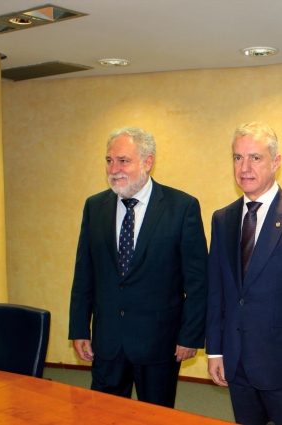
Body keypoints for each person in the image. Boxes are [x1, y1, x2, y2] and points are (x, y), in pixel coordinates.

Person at [69, 126, 208, 408]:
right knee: (103, 414)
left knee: (156, 415)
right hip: (107, 340)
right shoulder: (94, 207)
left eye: (123, 160)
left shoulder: (181, 207)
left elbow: (198, 281)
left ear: (147, 162)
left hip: (159, 342)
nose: (114, 169)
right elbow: (84, 273)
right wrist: (79, 327)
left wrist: (190, 334)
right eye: (109, 161)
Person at [206, 122, 282, 425]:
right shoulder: (222, 219)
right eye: (238, 158)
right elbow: (217, 291)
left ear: (276, 162)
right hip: (236, 363)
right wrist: (214, 352)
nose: (244, 167)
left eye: (255, 158)